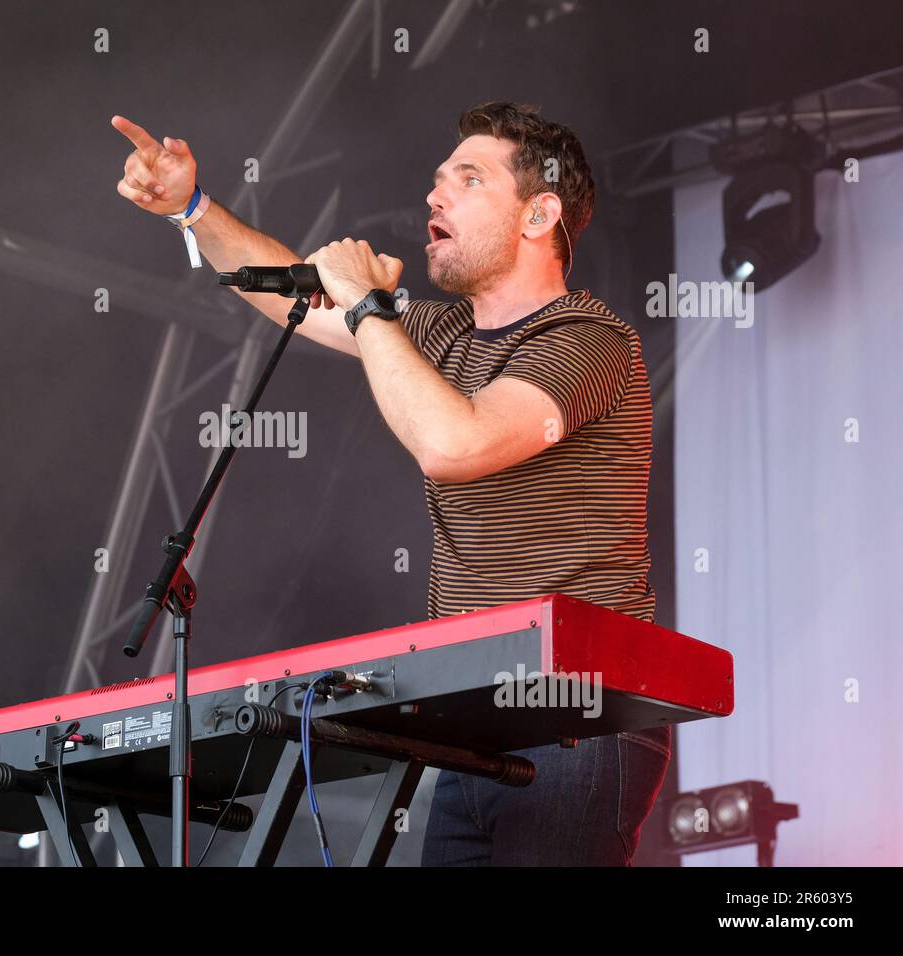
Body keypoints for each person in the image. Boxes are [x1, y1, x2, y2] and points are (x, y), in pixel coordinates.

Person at [111, 101, 670, 866]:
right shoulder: (440, 334)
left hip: (577, 712)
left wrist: (370, 308)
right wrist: (192, 208)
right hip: (475, 717)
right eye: (437, 180)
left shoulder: (586, 338)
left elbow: (453, 444)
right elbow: (291, 294)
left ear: (540, 213)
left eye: (468, 180)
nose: (436, 196)